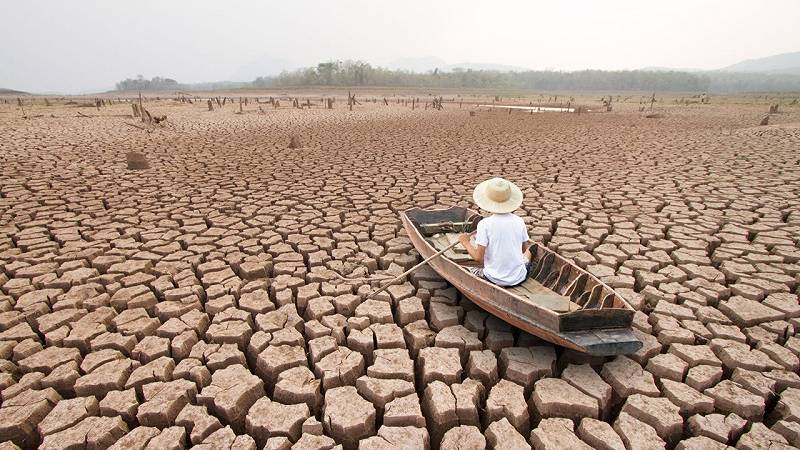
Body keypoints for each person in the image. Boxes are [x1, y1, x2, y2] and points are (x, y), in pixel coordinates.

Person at [458, 177, 532, 287]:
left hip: (494, 279)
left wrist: (465, 242)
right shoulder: (519, 221)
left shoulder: (485, 224)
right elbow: (524, 250)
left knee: (468, 269)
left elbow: (478, 258)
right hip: (520, 277)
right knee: (529, 253)